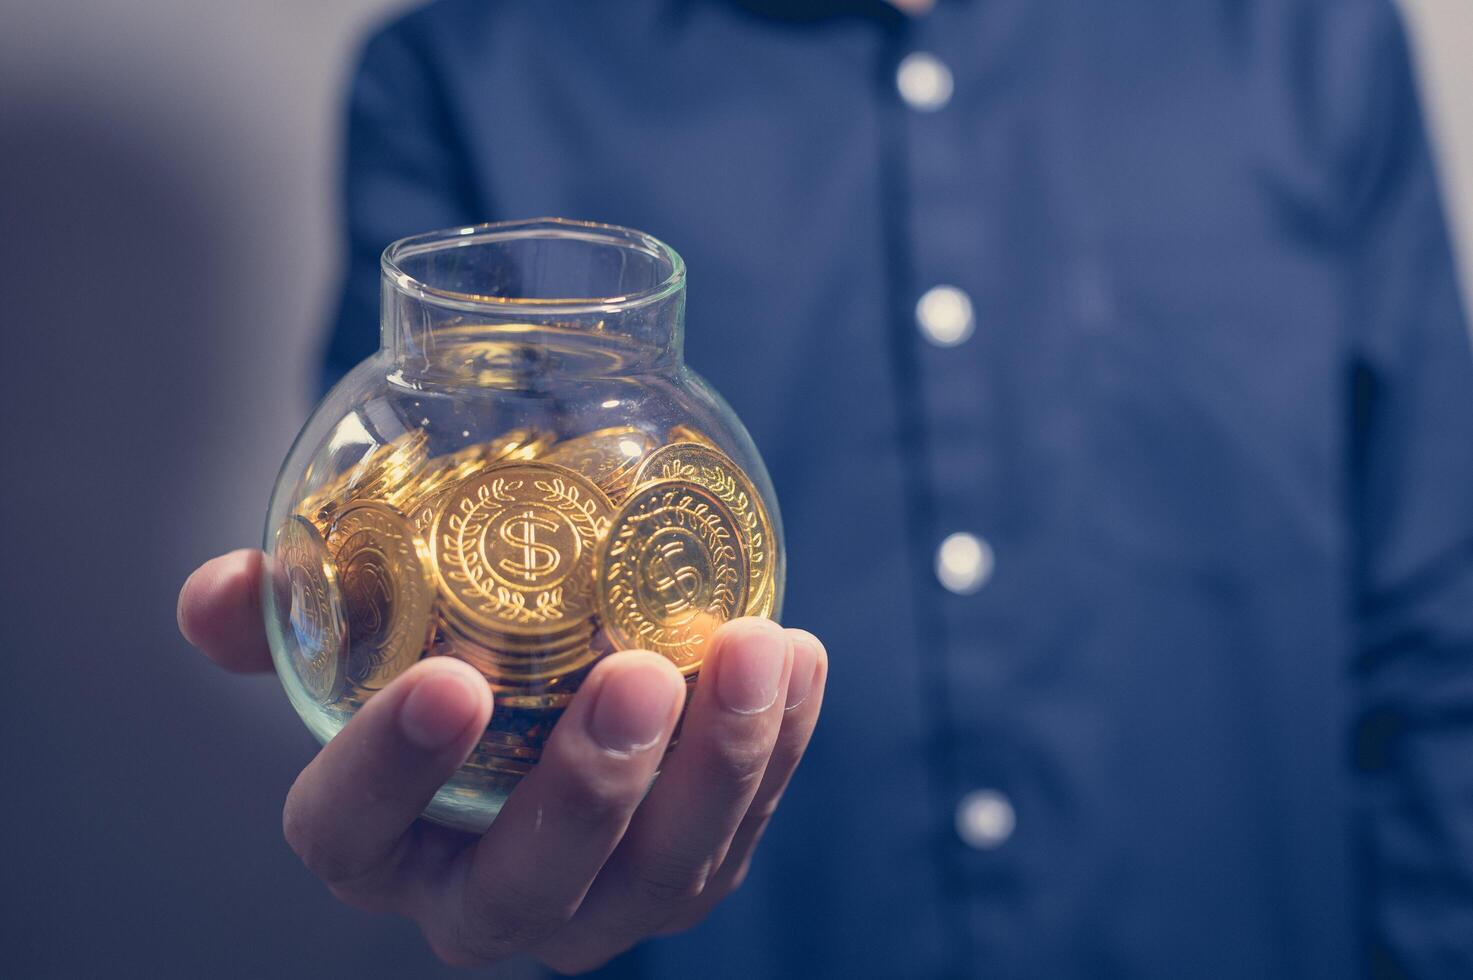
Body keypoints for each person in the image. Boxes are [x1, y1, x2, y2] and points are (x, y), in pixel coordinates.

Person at [177, 0, 1473, 976]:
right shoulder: (461, 72)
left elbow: (1441, 642)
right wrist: (458, 840)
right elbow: (389, 627)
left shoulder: (1317, 37)